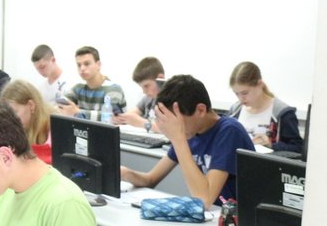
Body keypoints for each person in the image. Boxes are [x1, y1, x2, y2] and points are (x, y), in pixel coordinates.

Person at [120, 74, 254, 207]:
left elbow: (204, 200)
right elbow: (150, 179)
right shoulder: (190, 133)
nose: (176, 128)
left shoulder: (229, 131)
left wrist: (178, 139)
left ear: (200, 110)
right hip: (214, 214)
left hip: (238, 217)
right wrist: (126, 173)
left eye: (178, 123)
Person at [227, 61, 303, 154]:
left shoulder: (282, 113)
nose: (241, 98)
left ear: (260, 84)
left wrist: (271, 145)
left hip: (267, 162)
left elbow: (298, 149)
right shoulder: (235, 111)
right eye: (236, 94)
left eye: (245, 93)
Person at [58, 46, 127, 120]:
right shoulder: (78, 88)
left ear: (98, 65)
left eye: (87, 64)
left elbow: (112, 117)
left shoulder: (113, 89)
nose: (82, 68)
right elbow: (60, 106)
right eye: (79, 65)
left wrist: (78, 112)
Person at [1, 79, 53, 164]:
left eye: (14, 112)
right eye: (7, 114)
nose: (10, 119)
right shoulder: (12, 130)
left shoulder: (54, 127)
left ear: (31, 105)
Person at [113, 56, 165, 133]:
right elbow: (133, 113)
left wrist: (142, 123)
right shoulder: (148, 99)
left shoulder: (171, 100)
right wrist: (121, 118)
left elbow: (167, 128)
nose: (144, 92)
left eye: (146, 86)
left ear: (160, 78)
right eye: (142, 87)